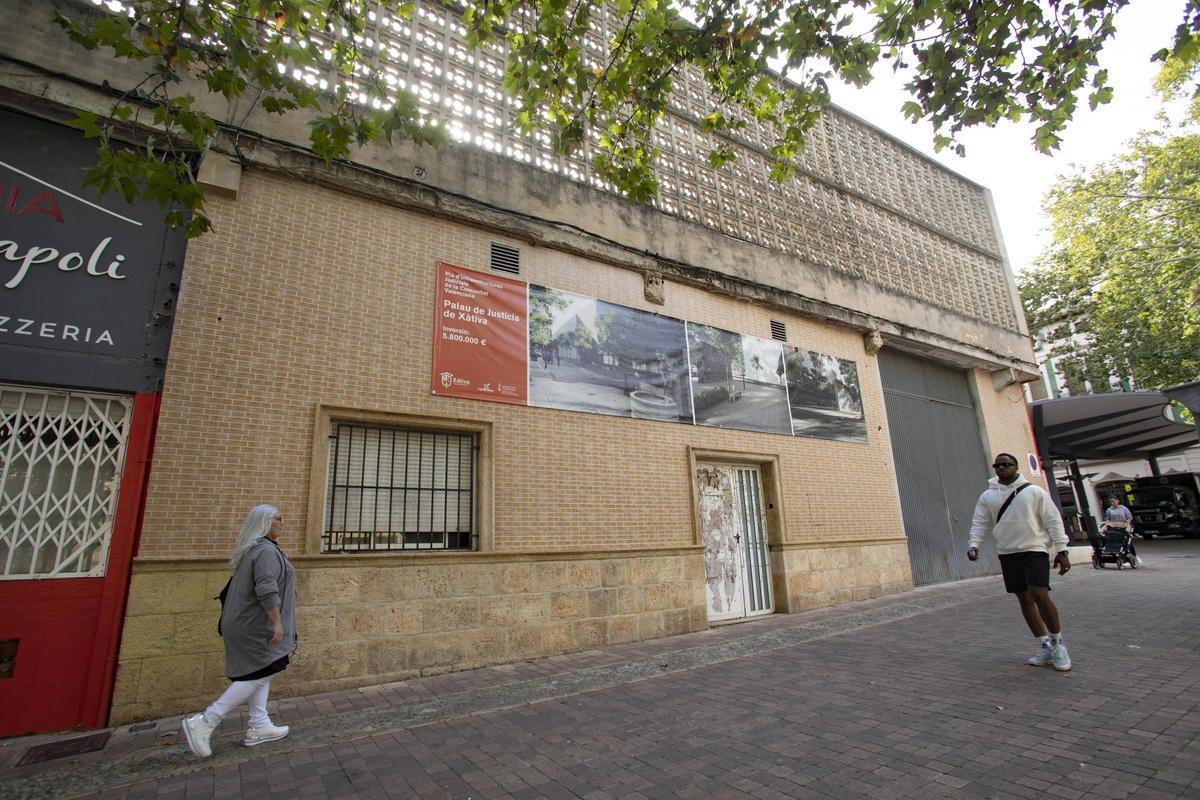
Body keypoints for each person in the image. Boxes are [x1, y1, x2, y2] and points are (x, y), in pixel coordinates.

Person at [181, 505, 297, 758]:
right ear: (265, 522)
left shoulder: (255, 550)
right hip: (256, 625)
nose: (282, 522)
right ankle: (206, 721)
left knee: (261, 668)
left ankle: (259, 724)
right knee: (261, 671)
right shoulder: (265, 551)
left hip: (244, 623)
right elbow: (266, 588)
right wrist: (277, 623)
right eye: (278, 518)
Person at [967, 454, 1072, 671]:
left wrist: (1062, 549)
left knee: (1039, 593)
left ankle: (1058, 644)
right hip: (1008, 552)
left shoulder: (1033, 491)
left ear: (1016, 467)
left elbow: (1052, 519)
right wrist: (974, 544)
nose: (1001, 468)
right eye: (997, 465)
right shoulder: (988, 496)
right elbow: (980, 522)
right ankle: (1044, 645)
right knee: (1024, 598)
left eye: (1006, 464)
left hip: (1034, 549)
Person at [1102, 494, 1140, 565]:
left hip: (1123, 526)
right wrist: (1106, 526)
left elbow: (1129, 517)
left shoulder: (1124, 508)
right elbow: (1107, 519)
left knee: (1126, 541)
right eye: (1110, 502)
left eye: (1113, 501)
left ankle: (1132, 556)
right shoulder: (1109, 510)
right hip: (1114, 527)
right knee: (1114, 540)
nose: (1112, 503)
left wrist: (1127, 524)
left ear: (1117, 501)